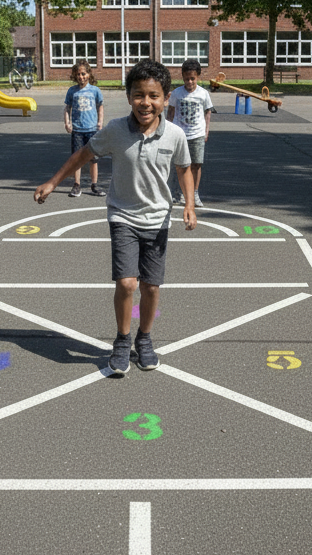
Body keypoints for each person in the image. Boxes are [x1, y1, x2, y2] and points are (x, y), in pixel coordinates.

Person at [35, 59, 196, 376]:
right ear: (128, 96)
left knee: (150, 287)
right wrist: (54, 181)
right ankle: (123, 340)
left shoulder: (175, 135)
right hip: (122, 214)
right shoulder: (115, 131)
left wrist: (189, 204)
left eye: (153, 96)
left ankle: (144, 339)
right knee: (126, 283)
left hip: (158, 219)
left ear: (165, 99)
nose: (145, 103)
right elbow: (83, 154)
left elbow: (184, 169)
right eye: (138, 95)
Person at [166, 58, 213, 207]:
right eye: (187, 79)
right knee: (180, 164)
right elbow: (171, 112)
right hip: (180, 134)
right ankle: (179, 193)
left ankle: (194, 194)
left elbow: (207, 112)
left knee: (196, 164)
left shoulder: (203, 94)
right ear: (182, 77)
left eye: (192, 78)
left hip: (197, 134)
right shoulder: (177, 93)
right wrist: (167, 129)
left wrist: (206, 131)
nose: (190, 82)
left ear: (198, 76)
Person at [63, 59, 106, 197]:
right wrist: (67, 123)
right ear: (75, 76)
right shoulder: (72, 91)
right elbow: (67, 108)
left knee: (93, 159)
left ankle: (94, 185)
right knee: (77, 159)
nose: (81, 77)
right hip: (77, 130)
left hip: (92, 129)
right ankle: (77, 185)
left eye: (83, 74)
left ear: (89, 74)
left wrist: (100, 121)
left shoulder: (95, 90)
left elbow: (100, 106)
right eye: (78, 74)